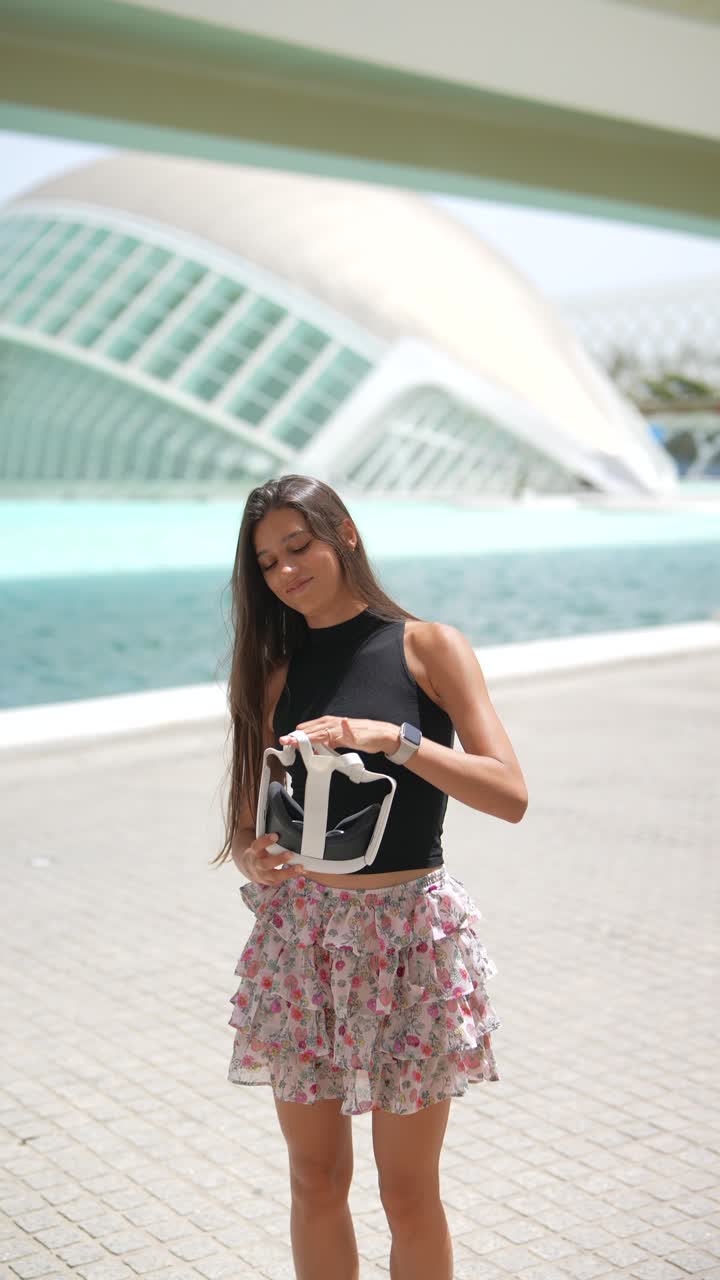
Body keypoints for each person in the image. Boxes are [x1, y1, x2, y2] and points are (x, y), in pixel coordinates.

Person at [210, 473, 528, 1280]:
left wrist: (397, 740)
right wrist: (256, 855)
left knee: (408, 1190)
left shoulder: (428, 646)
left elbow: (511, 794)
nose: (286, 571)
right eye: (268, 562)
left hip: (411, 940)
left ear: (344, 532)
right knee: (314, 1178)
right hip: (301, 941)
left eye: (298, 545)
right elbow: (251, 830)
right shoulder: (274, 670)